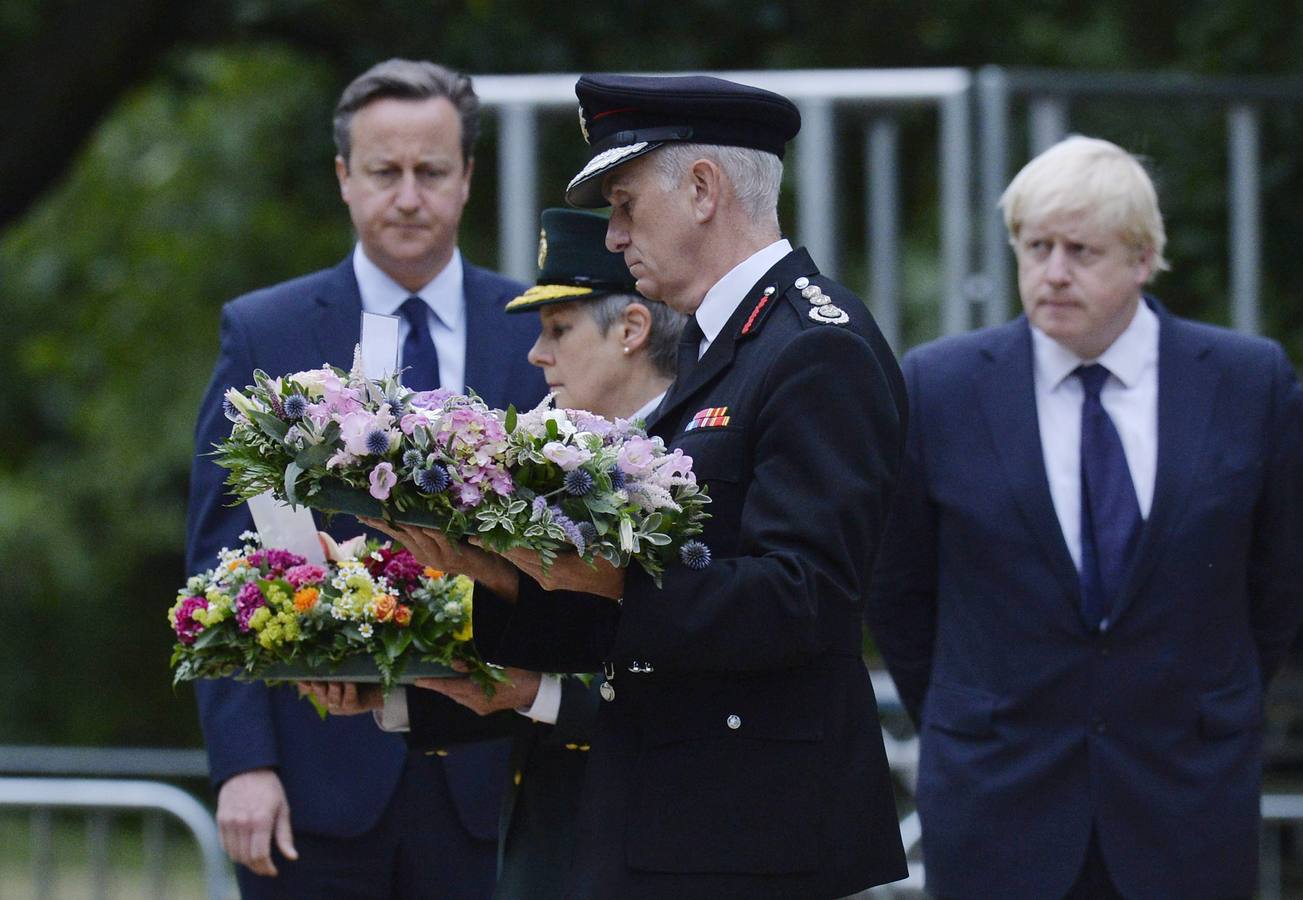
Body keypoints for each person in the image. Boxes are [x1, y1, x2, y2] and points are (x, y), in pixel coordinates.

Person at [379, 73, 910, 899]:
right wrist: (496, 573)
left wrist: (610, 579)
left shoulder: (811, 346)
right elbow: (642, 607)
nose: (616, 236)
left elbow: (804, 597)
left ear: (702, 189)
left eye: (626, 204)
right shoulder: (726, 342)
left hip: (750, 833)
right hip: (676, 817)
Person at [865, 135, 1303, 900]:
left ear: (1142, 259)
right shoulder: (939, 386)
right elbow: (897, 585)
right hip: (998, 798)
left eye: (1080, 250)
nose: (1051, 274)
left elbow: (1279, 579)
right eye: (1034, 246)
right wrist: (974, 710)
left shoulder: (1247, 384)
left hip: (1184, 795)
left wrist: (1199, 698)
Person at [185, 58, 545, 899]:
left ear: (467, 179)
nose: (409, 196)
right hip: (312, 785)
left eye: (432, 171)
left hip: (495, 781)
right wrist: (243, 764)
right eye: (385, 172)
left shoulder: (540, 329)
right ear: (345, 178)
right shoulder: (265, 331)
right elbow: (218, 554)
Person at [310, 205, 686, 899]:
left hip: (658, 835)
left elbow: (676, 675)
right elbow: (545, 643)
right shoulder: (557, 461)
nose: (536, 354)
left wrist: (535, 691)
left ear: (632, 329)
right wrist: (385, 692)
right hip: (554, 825)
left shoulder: (688, 465)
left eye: (558, 330)